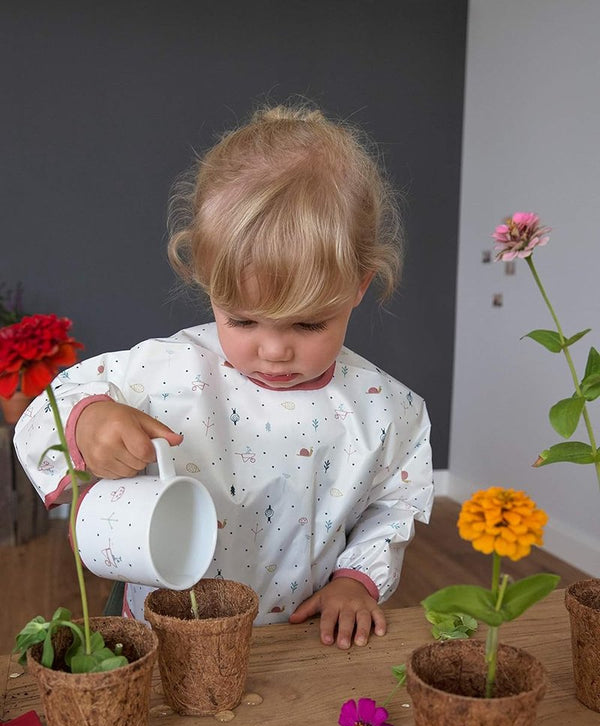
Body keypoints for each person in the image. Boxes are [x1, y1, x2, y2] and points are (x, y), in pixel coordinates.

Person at [14, 102, 434, 649]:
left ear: (358, 286)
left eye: (308, 323)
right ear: (208, 283)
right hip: (162, 630)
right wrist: (89, 421)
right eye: (243, 319)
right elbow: (47, 406)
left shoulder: (385, 408)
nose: (274, 349)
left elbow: (393, 506)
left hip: (296, 637)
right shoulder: (163, 370)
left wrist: (356, 581)